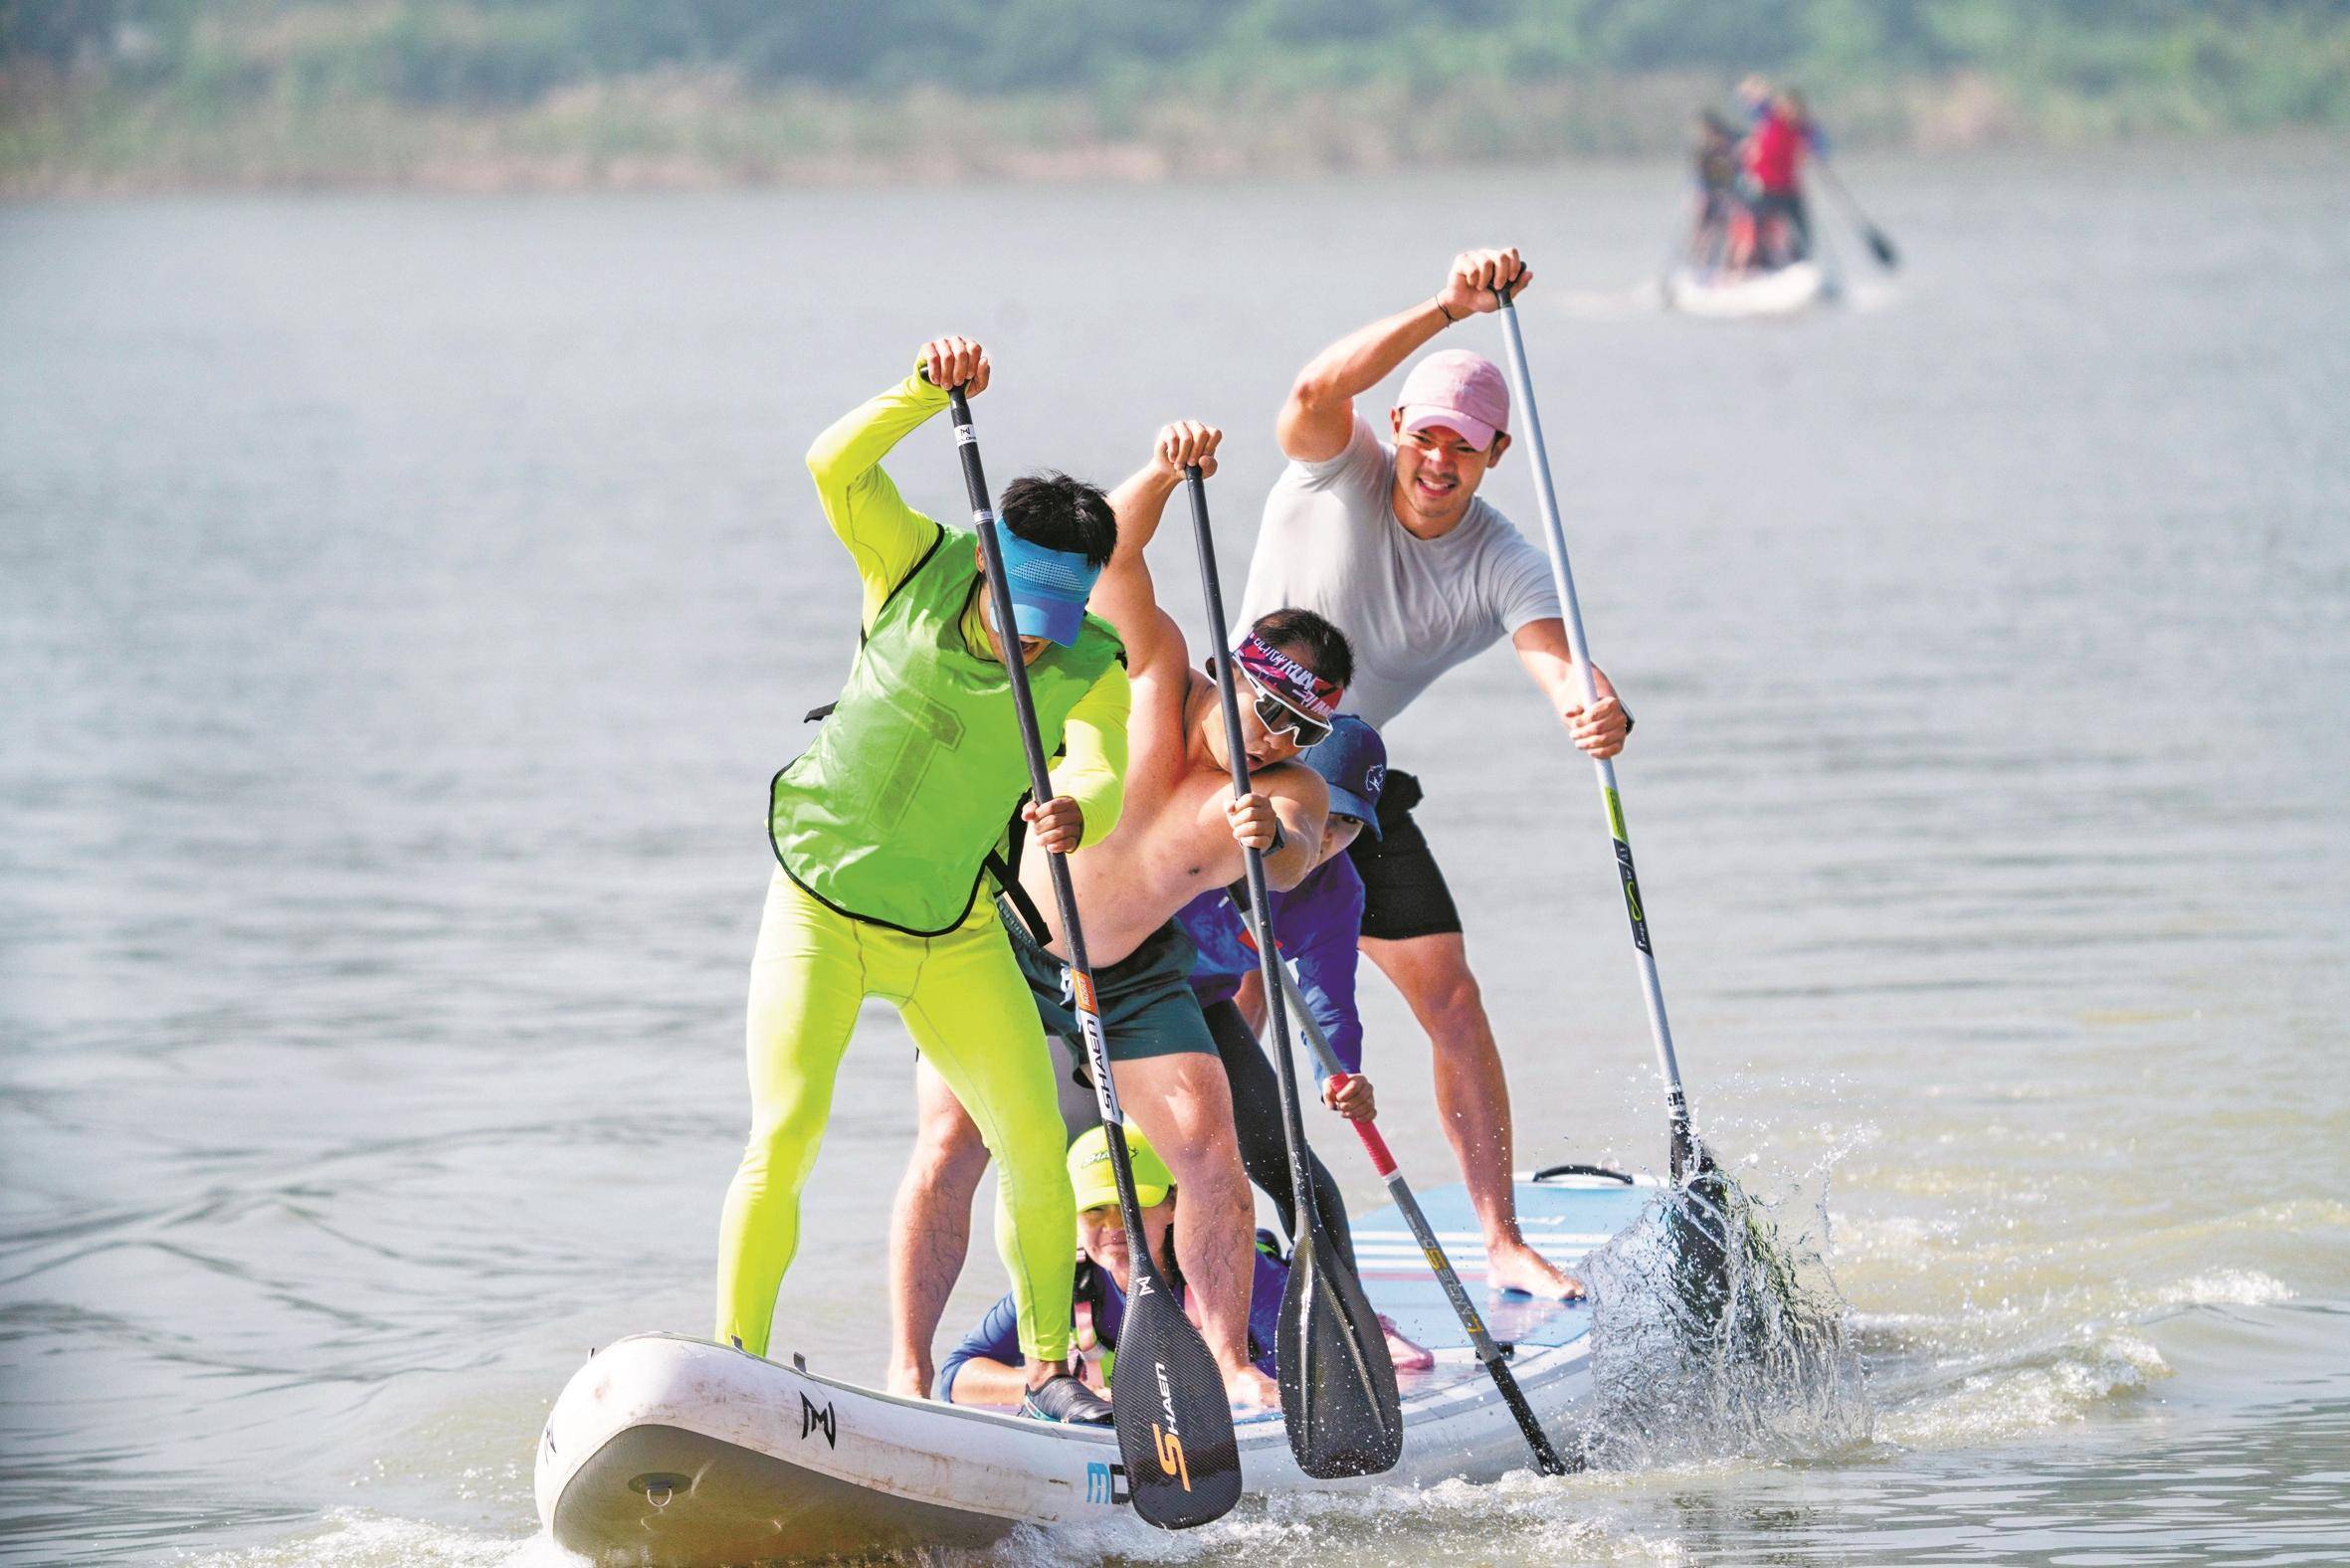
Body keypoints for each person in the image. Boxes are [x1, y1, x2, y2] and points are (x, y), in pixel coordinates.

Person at [885, 419, 1351, 1411]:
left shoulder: (1292, 789)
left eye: (1303, 729)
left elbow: (1303, 845)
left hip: (1136, 971)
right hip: (1002, 944)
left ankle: (1228, 1362)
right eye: (1269, 710)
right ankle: (910, 1374)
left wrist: (1267, 833)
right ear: (1236, 675)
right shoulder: (1155, 671)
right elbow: (1117, 552)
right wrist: (1167, 469)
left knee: (1204, 1143)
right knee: (950, 1143)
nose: (1275, 738)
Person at [714, 336, 1130, 1425]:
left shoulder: (1090, 657)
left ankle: (1050, 1371)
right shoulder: (913, 561)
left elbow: (1103, 760)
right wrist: (918, 393)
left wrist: (1079, 804)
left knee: (1033, 1136)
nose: (1028, 653)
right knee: (787, 1132)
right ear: (988, 567)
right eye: (1014, 623)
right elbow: (830, 466)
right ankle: (735, 1362)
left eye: (1048, 634)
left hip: (951, 930)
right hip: (818, 905)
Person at [1237, 248, 1633, 1300]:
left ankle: (1499, 1236)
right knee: (1230, 1008)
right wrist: (1449, 306)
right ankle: (1212, 1245)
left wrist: (1590, 707)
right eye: (1425, 437)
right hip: (1234, 754)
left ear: (1496, 452)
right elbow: (1318, 389)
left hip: (1351, 781)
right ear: (1398, 431)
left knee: (1450, 994)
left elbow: (1552, 657)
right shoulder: (1337, 462)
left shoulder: (1503, 557)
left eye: (1464, 446)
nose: (1438, 461)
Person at [1175, 714, 1387, 1262]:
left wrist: (1340, 1073)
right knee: (1102, 1163)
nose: (1330, 837)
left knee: (1286, 1162)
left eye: (1350, 823)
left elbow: (1330, 997)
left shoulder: (1338, 891)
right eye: (1326, 812)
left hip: (1200, 1005)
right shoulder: (1215, 835)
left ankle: (1346, 1321)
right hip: (1108, 996)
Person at [937, 1124, 1288, 1413]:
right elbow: (958, 1375)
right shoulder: (1063, 1280)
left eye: (1130, 1205)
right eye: (1094, 1210)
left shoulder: (1234, 1270)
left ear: (1173, 1205)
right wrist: (1066, 1389)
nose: (1113, 1226)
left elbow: (1305, 1370)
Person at [1738, 81, 1824, 268]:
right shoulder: (1770, 118)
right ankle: (1752, 267)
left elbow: (1821, 146)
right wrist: (1751, 90)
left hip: (1789, 187)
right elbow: (1748, 100)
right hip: (1764, 186)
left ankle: (1801, 265)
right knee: (1758, 229)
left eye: (1795, 109)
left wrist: (1815, 151)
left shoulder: (1804, 128)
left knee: (1801, 230)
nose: (1790, 112)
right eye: (1787, 107)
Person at [1688, 109, 1746, 272]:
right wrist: (1700, 198)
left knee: (1728, 233)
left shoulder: (1730, 150)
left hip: (1727, 197)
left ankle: (1726, 269)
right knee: (1703, 232)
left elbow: (1738, 174)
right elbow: (1699, 178)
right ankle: (1697, 266)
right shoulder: (1703, 152)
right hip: (1710, 197)